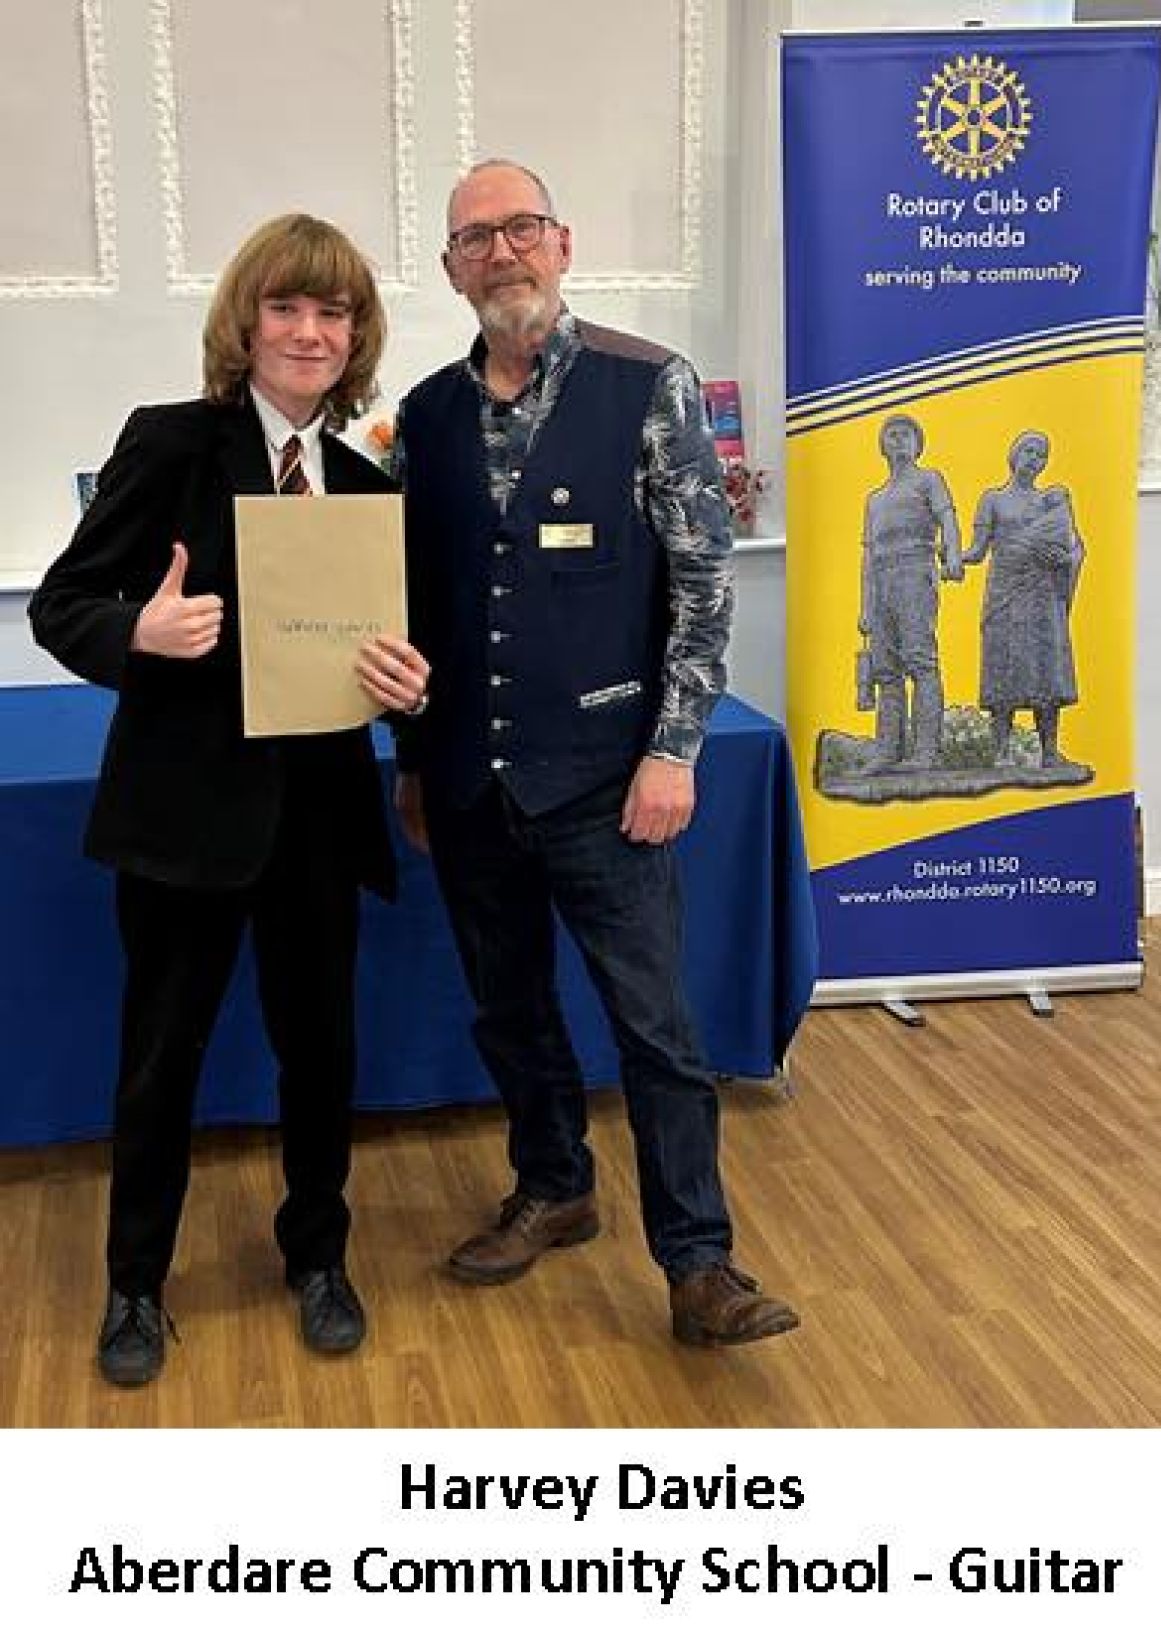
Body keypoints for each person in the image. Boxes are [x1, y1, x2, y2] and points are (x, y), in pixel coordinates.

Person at [358, 159, 797, 1347]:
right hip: (468, 781)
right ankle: (554, 1186)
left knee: (656, 1030)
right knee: (508, 1008)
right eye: (475, 238)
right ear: (452, 269)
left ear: (561, 243)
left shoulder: (650, 383)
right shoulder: (424, 418)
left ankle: (699, 1263)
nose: (501, 251)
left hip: (610, 780)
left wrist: (675, 749)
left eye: (521, 228)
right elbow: (416, 604)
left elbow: (703, 581)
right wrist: (413, 759)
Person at [28, 214, 430, 1387]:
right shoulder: (170, 444)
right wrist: (138, 631)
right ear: (245, 326)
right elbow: (63, 604)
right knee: (160, 1061)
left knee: (322, 1055)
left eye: (332, 312)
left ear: (355, 336)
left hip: (318, 822)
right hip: (182, 817)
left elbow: (394, 655)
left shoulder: (367, 483)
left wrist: (411, 687)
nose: (309, 331)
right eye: (285, 308)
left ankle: (319, 1257)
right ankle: (135, 1283)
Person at [962, 430, 1084, 767]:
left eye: (1041, 455)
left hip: (1042, 592)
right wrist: (952, 558)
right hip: (1005, 591)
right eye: (1029, 451)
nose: (1034, 459)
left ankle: (1049, 751)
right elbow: (978, 549)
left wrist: (1066, 558)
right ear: (1014, 454)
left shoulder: (1051, 501)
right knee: (1003, 665)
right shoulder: (993, 499)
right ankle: (1000, 751)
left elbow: (1073, 546)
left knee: (1046, 666)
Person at [858, 414, 963, 770]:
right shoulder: (875, 500)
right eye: (892, 434)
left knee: (920, 661)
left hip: (915, 572)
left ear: (918, 444)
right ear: (882, 446)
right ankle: (888, 750)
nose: (899, 439)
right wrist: (865, 605)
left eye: (906, 434)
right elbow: (868, 555)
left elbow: (947, 518)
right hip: (882, 580)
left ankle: (926, 751)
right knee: (885, 669)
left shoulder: (928, 480)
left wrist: (952, 555)